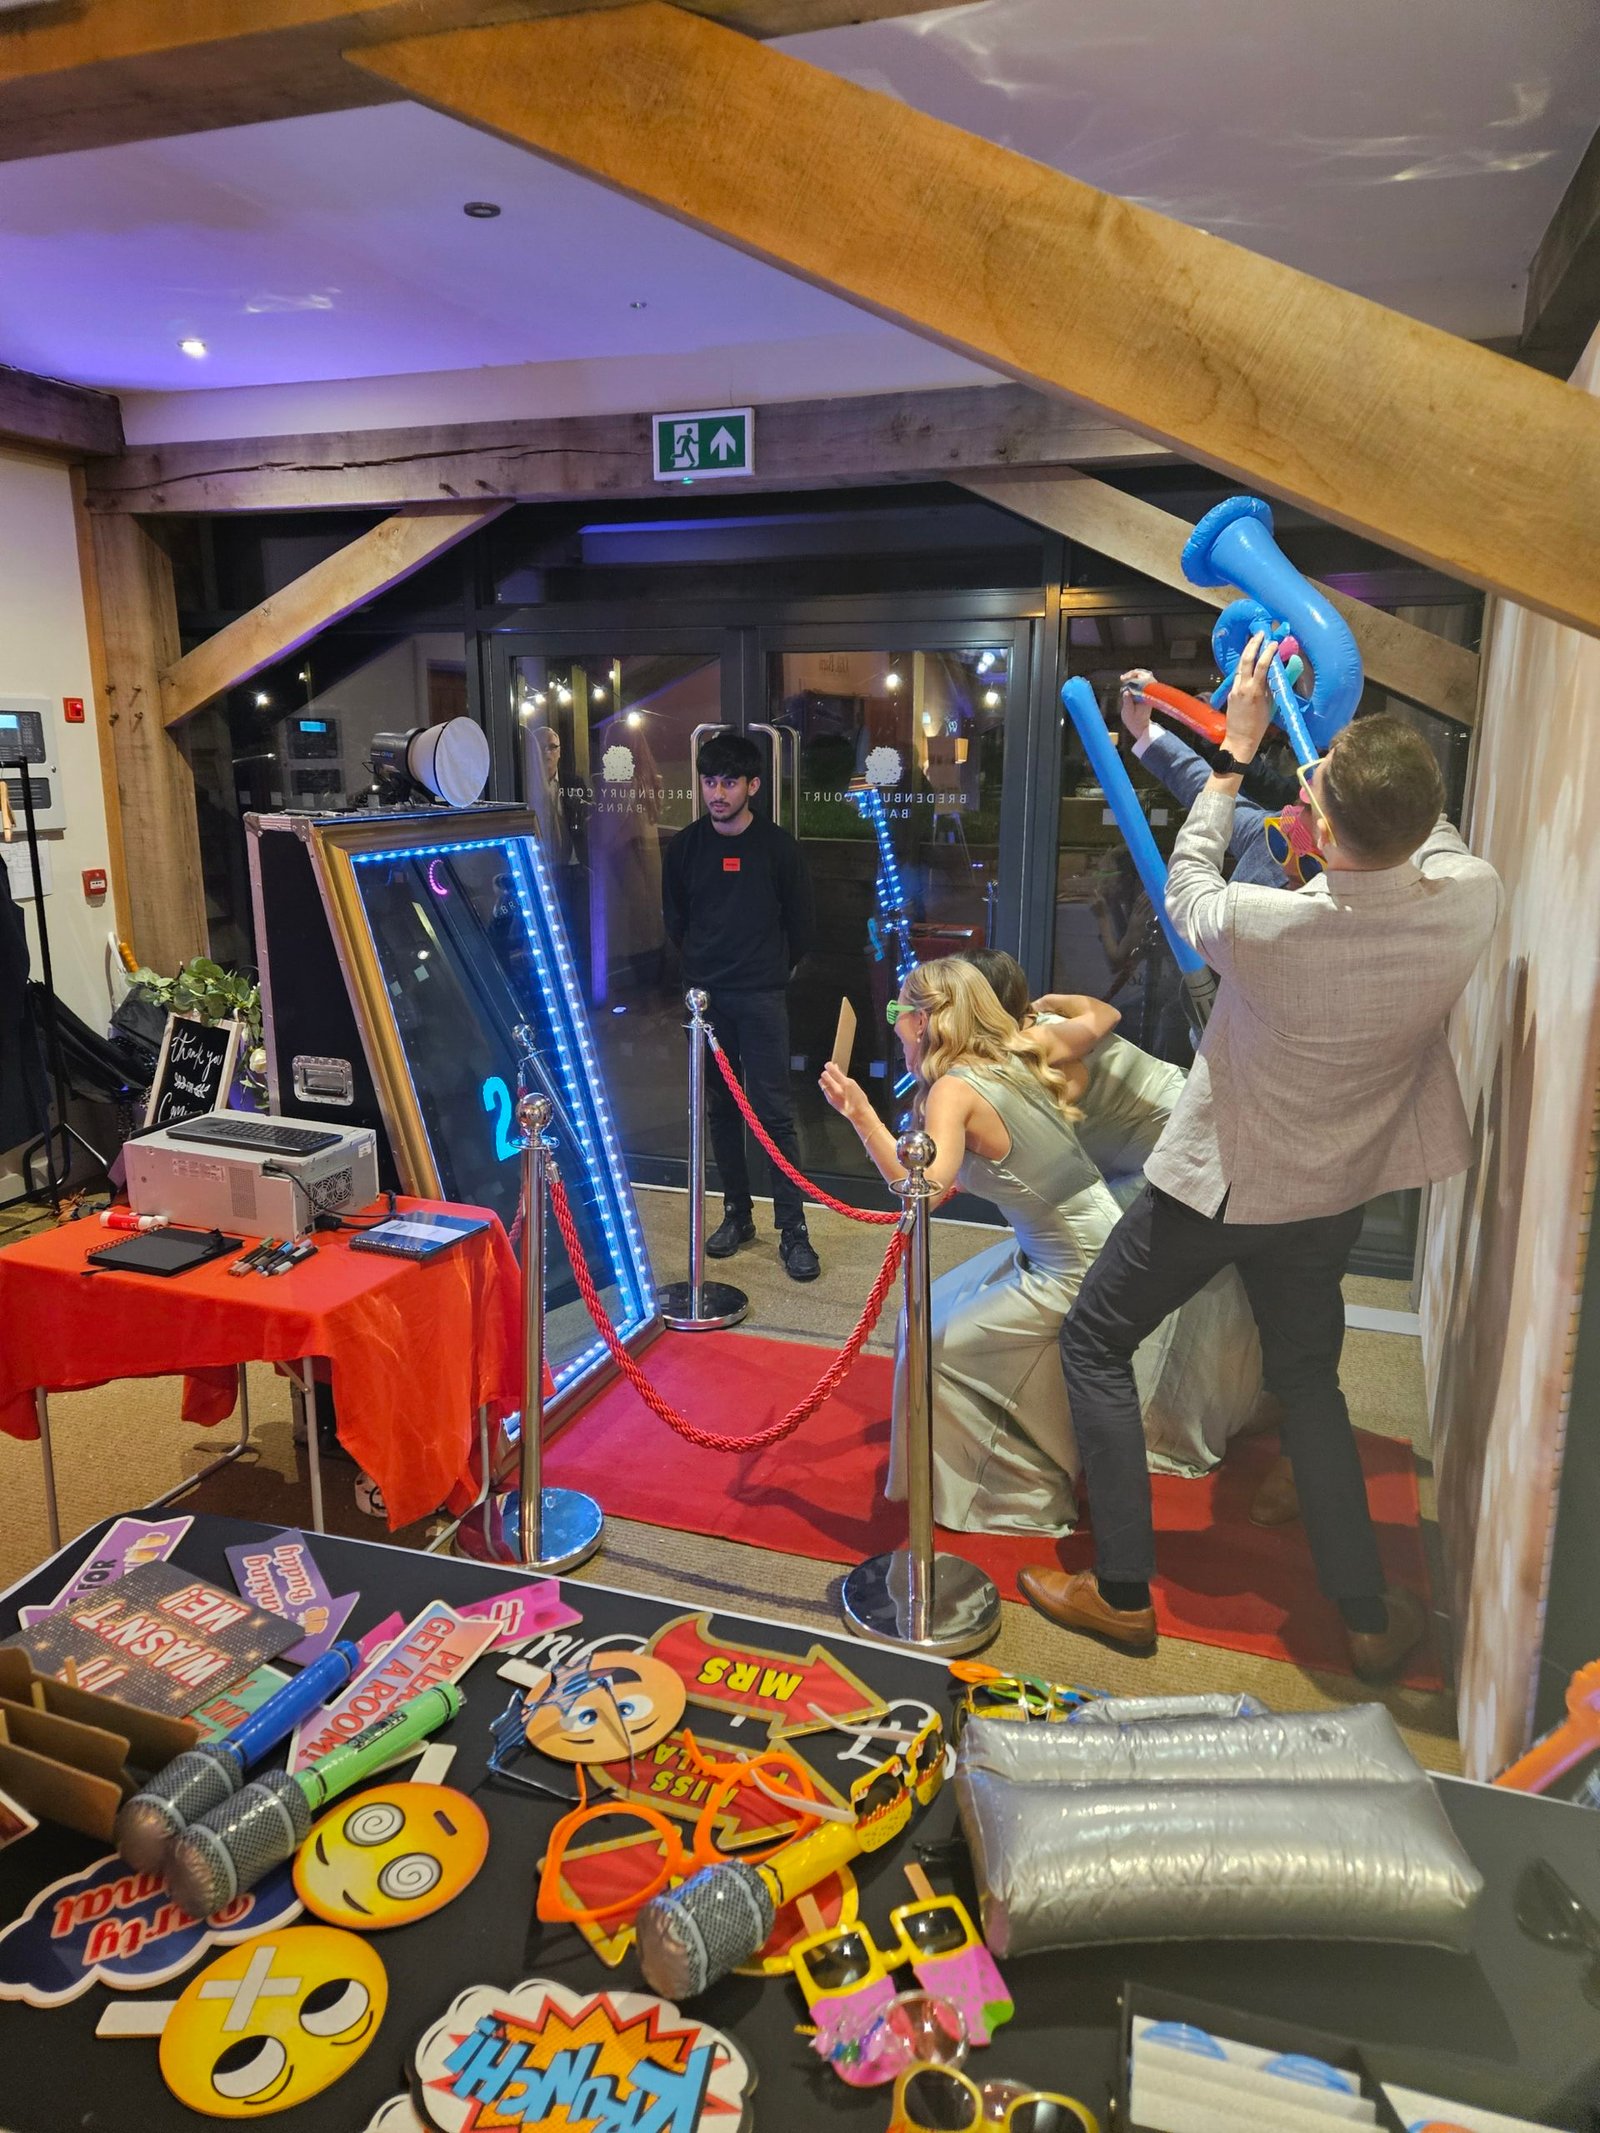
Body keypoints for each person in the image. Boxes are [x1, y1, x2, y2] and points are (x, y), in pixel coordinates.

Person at [1020, 637, 1502, 1681]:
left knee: (1096, 1343)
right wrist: (1322, 759)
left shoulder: (1265, 924)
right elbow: (1422, 826)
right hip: (1332, 1193)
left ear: (1319, 827)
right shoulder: (1470, 895)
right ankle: (1367, 1618)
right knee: (1311, 1384)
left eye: (1313, 790)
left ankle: (1118, 1595)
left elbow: (1189, 881)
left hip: (1221, 1184)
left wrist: (1236, 753)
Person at [821, 957, 1131, 1533]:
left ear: (924, 1021)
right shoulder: (1011, 1050)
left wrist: (858, 1111)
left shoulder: (955, 1089)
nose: (892, 1023)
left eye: (897, 1010)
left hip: (1073, 1262)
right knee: (928, 1311)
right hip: (1082, 1239)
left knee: (936, 1340)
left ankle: (1018, 1495)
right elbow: (1100, 1018)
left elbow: (923, 1190)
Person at [961, 948, 1267, 1484]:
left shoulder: (1027, 1048)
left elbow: (1051, 1123)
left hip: (1183, 1150)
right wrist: (1054, 999)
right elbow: (1104, 1015)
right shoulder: (1048, 1025)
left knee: (1131, 1288)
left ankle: (1153, 1428)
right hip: (1176, 1137)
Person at [662, 731, 821, 1282]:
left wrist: (769, 974)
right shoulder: (684, 848)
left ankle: (793, 1229)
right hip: (705, 1001)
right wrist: (702, 976)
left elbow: (803, 927)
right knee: (721, 1110)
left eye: (729, 781)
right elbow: (676, 922)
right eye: (709, 781)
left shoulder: (778, 848)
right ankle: (737, 1214)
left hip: (761, 996)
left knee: (774, 1113)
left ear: (753, 785)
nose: (717, 792)